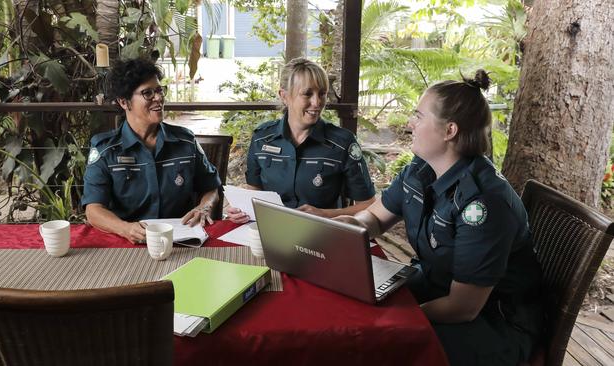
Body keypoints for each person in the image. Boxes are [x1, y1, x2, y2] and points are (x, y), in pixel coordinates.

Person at [336, 70, 543, 365]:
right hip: (435, 286)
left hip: (494, 324)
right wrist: (352, 226)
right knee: (347, 308)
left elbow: (463, 307)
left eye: (419, 116)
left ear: (450, 131)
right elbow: (377, 218)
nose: (410, 123)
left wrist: (398, 318)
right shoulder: (420, 169)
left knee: (376, 343)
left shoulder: (483, 204)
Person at [82, 57, 221, 243]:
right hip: (129, 242)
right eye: (147, 93)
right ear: (124, 102)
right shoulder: (106, 150)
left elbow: (211, 188)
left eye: (159, 90)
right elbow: (93, 210)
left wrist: (204, 207)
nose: (158, 98)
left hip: (182, 240)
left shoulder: (185, 142)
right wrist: (125, 229)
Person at [227, 58, 376, 223]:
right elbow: (254, 191)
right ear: (284, 96)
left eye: (322, 94)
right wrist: (243, 211)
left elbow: (368, 205)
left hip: (323, 234)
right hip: (271, 230)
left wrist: (325, 214)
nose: (317, 102)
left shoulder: (343, 143)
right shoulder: (261, 139)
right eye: (307, 94)